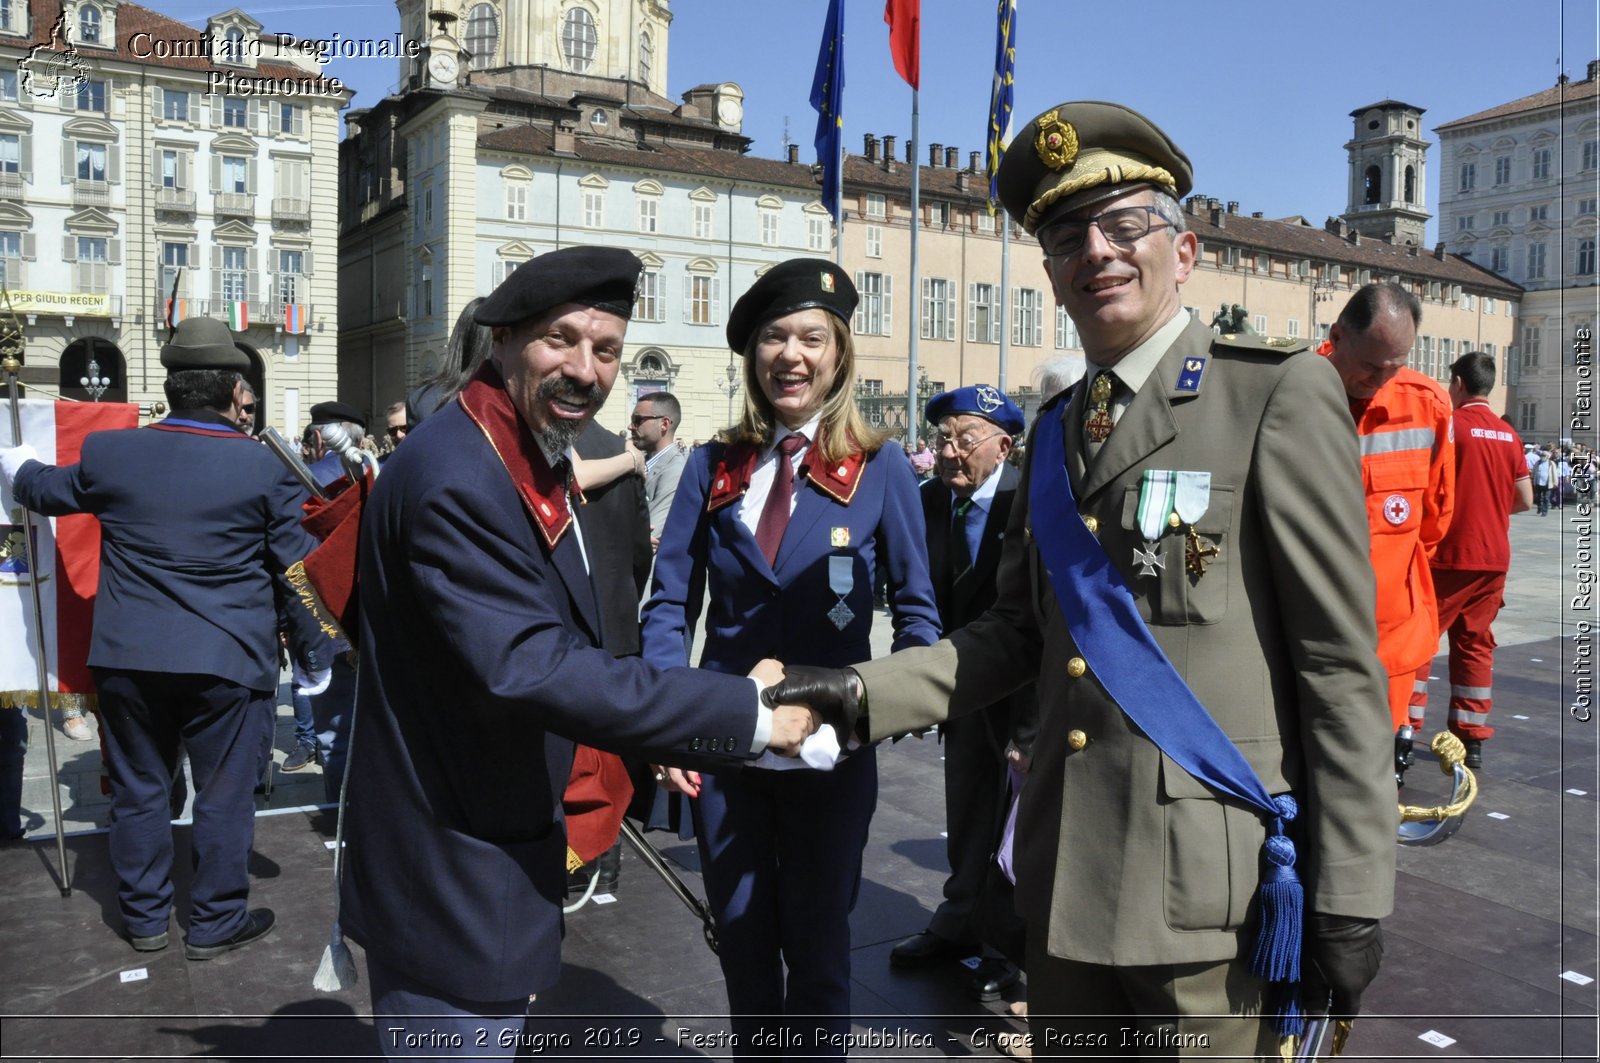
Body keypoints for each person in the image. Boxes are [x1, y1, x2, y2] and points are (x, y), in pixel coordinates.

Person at [769, 101, 1394, 1057]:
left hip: (1207, 905)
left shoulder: (1273, 391)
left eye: (1125, 224)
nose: (1097, 250)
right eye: (1068, 236)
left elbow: (1338, 666)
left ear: (1182, 252)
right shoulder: (1058, 426)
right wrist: (859, 692)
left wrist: (1350, 890)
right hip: (1065, 885)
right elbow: (1017, 635)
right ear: (1053, 274)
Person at [339, 246, 821, 1057]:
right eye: (560, 339)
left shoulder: (513, 448)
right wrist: (742, 711)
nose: (585, 370)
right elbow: (535, 664)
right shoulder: (463, 472)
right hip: (451, 871)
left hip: (481, 846)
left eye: (605, 350)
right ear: (502, 340)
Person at [640, 259, 941, 1057]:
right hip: (723, 746)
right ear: (752, 356)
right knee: (741, 941)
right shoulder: (712, 466)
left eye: (812, 336)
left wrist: (884, 709)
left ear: (839, 353)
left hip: (829, 754)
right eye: (775, 336)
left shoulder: (879, 471)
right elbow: (669, 603)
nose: (792, 354)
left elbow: (919, 615)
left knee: (817, 948)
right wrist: (671, 718)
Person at [0, 317, 329, 957]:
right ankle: (213, 924)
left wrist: (17, 464)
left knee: (139, 793)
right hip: (228, 661)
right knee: (225, 799)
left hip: (131, 658)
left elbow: (44, 489)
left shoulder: (114, 453)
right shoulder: (263, 469)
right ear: (235, 392)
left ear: (173, 389)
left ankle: (146, 920)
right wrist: (315, 651)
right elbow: (298, 569)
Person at [888, 385, 1033, 1005]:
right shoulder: (927, 503)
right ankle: (960, 920)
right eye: (941, 439)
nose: (949, 452)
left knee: (1018, 823)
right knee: (967, 805)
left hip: (1024, 687)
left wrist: (1030, 727)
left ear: (1003, 443)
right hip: (961, 682)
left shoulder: (1027, 499)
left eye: (964, 439)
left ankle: (1011, 948)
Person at [1320, 283, 1455, 756]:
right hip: (1306, 636)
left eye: (1394, 366)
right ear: (1336, 335)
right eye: (1370, 365)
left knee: (1370, 777)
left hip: (1388, 640)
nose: (1381, 378)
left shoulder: (1427, 405)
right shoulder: (1289, 391)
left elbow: (1435, 522)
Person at [1412, 352, 1532, 770]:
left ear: (1459, 383)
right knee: (1476, 646)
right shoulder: (1508, 435)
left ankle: (1405, 732)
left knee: (1420, 644)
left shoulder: (1449, 426)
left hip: (1448, 555)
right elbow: (1525, 499)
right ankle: (1471, 738)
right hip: (1493, 557)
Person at [630, 390, 687, 546]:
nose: (630, 426)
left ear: (664, 424)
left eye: (638, 420)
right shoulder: (637, 462)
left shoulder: (676, 471)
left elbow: (649, 536)